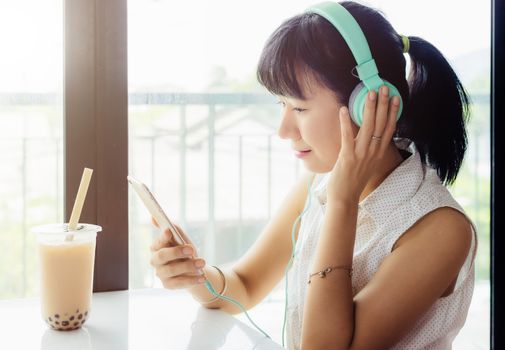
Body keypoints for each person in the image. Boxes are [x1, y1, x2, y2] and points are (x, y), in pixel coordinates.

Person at [149, 1, 478, 349]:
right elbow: (244, 285)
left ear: (367, 104)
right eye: (282, 105)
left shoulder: (439, 229)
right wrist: (195, 275)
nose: (284, 130)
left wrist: (342, 202)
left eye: (300, 108)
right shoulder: (318, 185)